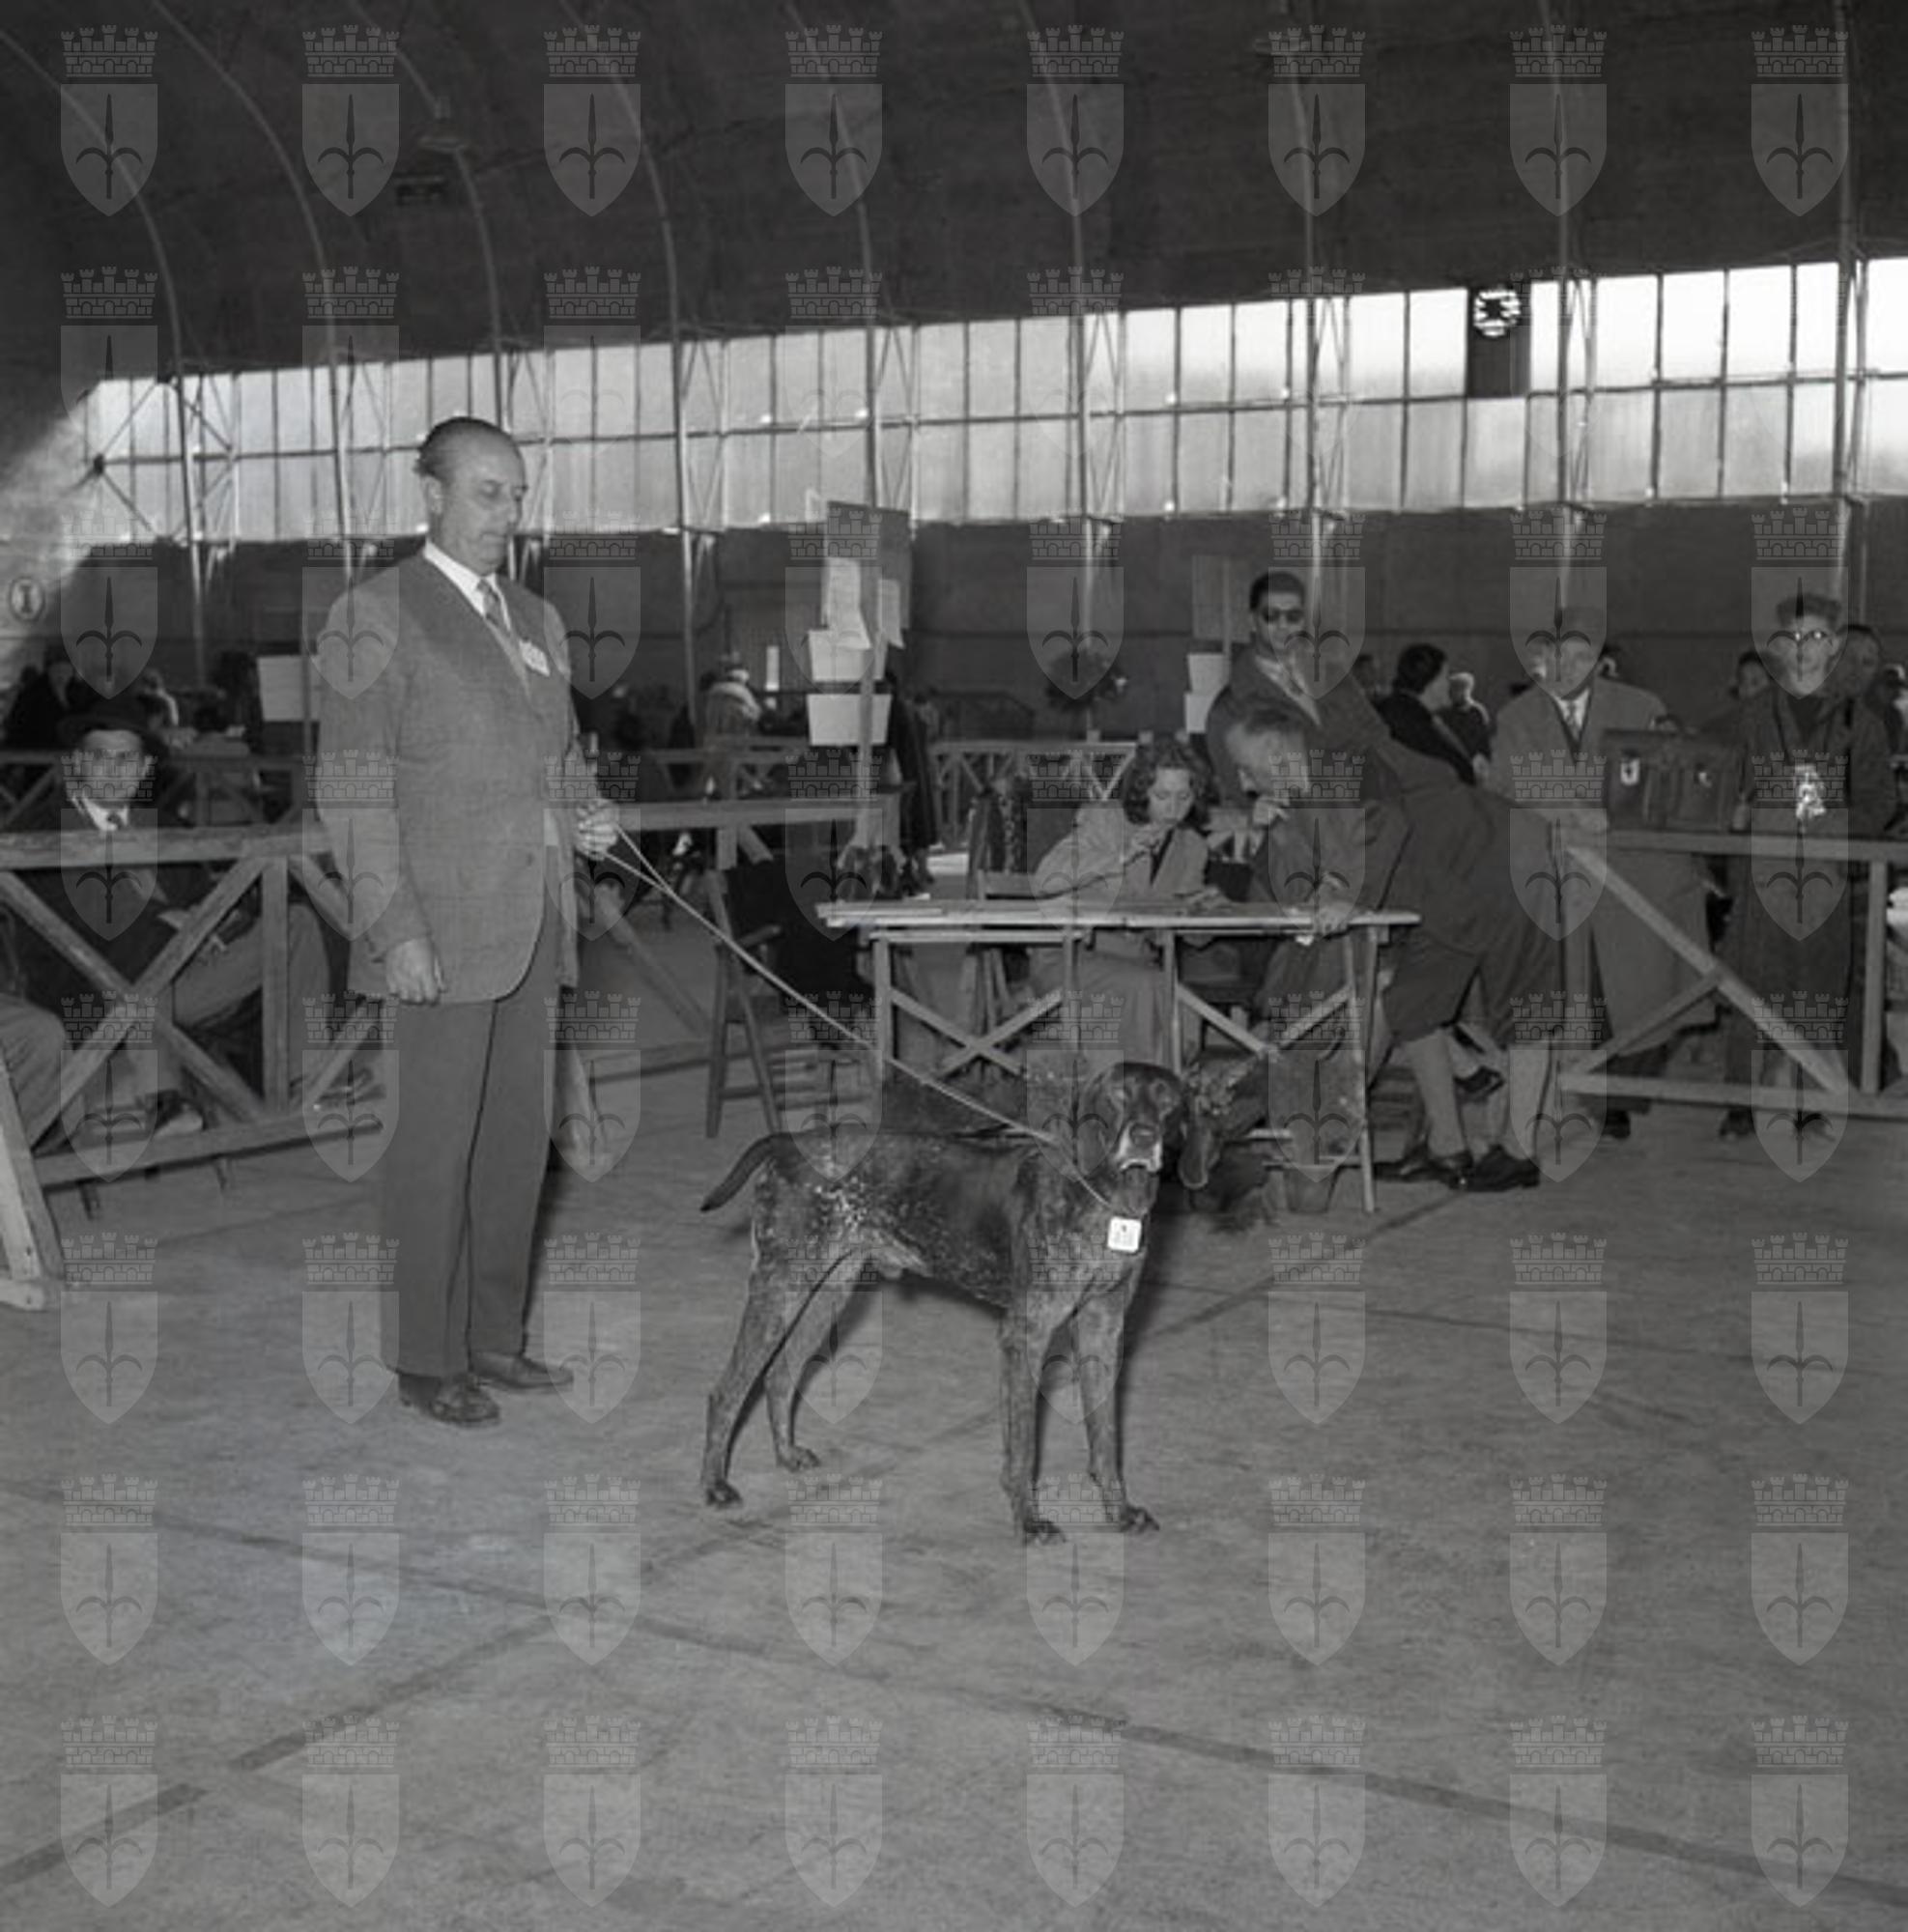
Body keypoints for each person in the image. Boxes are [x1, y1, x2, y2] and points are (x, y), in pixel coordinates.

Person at [315, 416, 619, 1429]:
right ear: (431, 494)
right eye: (488, 492)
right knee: (433, 1152)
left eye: (518, 495)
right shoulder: (372, 614)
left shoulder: (537, 617)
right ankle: (426, 1358)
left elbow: (556, 757)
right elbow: (352, 789)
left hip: (533, 921)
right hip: (435, 933)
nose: (508, 513)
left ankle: (494, 1336)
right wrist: (394, 927)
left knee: (515, 1147)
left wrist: (587, 810)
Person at [1211, 700, 1559, 1191]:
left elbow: (1386, 822)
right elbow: (1287, 887)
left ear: (1274, 750)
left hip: (1508, 860)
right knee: (1410, 1005)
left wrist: (1349, 895)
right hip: (1441, 894)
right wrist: (1275, 830)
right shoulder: (1300, 795)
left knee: (1526, 1011)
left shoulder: (1352, 761)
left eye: (1247, 769)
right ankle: (1447, 1149)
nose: (1245, 784)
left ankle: (1520, 1154)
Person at [8, 687, 336, 1136]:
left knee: (295, 922)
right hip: (98, 991)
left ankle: (308, 1083)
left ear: (145, 769)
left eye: (127, 760)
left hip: (189, 979)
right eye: (101, 758)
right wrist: (170, 921)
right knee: (141, 961)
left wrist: (211, 919)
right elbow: (75, 922)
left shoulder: (163, 825)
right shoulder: (40, 831)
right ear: (78, 764)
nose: (114, 771)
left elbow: (210, 893)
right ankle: (164, 1097)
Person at [1488, 626, 1712, 1140]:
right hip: (1550, 876)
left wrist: (1605, 812)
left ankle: (1611, 1096)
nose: (1567, 668)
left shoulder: (1641, 706)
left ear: (1600, 660)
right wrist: (1575, 808)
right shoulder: (1516, 717)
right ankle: (1566, 1098)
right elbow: (1506, 786)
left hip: (1631, 877)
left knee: (1636, 994)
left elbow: (1665, 781)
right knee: (1561, 990)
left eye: (1580, 656)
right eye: (1557, 656)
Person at [1717, 591, 1894, 1138]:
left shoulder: (1860, 725)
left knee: (1817, 990)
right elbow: (1719, 789)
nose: (1804, 649)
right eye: (1793, 638)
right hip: (1760, 877)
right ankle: (1741, 1102)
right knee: (1749, 987)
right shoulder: (1749, 718)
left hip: (1824, 878)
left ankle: (1808, 1100)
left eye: (1816, 637)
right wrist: (1737, 812)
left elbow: (1880, 803)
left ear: (1834, 645)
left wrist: (1829, 820)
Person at [1030, 739, 1224, 1061]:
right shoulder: (1104, 820)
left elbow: (1191, 938)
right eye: (1162, 796)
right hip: (1070, 958)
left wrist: (1204, 911)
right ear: (1141, 791)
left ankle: (1163, 1085)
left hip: (1137, 961)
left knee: (1184, 1005)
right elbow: (1048, 876)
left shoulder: (1192, 847)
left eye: (1184, 797)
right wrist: (1121, 855)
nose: (1173, 808)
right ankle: (1139, 1086)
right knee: (1148, 988)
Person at [1376, 643, 1479, 784]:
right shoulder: (1408, 719)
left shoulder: (1409, 711)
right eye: (1445, 676)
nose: (1449, 683)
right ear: (1431, 680)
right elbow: (1452, 769)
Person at [1443, 669, 1494, 764]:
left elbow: (1482, 739)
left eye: (1455, 689)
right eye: (1450, 689)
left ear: (1465, 691)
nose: (1450, 693)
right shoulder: (1446, 714)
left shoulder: (1476, 712)